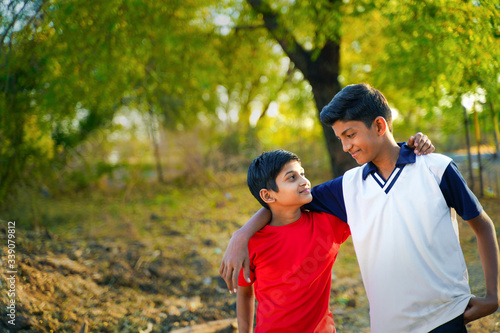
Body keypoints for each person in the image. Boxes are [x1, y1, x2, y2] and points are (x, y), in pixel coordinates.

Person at [220, 83, 500, 333]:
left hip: (446, 317)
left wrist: (492, 295)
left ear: (379, 126)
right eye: (340, 138)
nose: (344, 146)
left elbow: (482, 225)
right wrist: (241, 235)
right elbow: (285, 203)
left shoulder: (435, 168)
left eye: (350, 134)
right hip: (389, 325)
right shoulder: (347, 187)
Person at [236, 149, 350, 332]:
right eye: (292, 178)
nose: (305, 182)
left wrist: (410, 147)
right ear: (267, 195)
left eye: (302, 174)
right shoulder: (252, 243)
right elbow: (244, 293)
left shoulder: (328, 223)